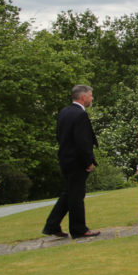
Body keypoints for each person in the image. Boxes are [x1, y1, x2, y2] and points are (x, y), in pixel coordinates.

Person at [42, 85, 100, 239]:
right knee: (76, 195)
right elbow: (83, 141)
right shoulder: (80, 114)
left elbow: (60, 136)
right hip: (77, 161)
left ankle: (52, 225)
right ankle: (79, 229)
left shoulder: (64, 112)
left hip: (65, 158)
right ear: (83, 97)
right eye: (90, 95)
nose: (92, 98)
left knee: (70, 192)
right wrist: (88, 160)